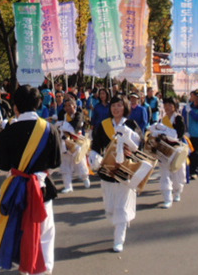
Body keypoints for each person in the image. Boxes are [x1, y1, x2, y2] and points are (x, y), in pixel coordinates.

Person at [0, 85, 61, 275]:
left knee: (20, 229)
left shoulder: (9, 131)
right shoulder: (49, 129)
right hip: (42, 189)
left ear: (15, 106)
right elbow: (55, 163)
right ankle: (39, 274)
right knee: (44, 231)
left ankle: (26, 268)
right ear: (39, 104)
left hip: (17, 190)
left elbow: (1, 164)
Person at [89, 95, 143, 253]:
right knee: (111, 206)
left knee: (122, 205)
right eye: (113, 106)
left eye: (119, 105)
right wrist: (94, 157)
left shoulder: (131, 124)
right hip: (107, 170)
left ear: (125, 107)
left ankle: (119, 239)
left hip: (125, 169)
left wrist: (128, 137)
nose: (116, 109)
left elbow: (139, 146)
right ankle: (120, 225)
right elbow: (96, 146)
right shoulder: (103, 125)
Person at [150, 98, 186, 208]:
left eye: (170, 105)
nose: (167, 107)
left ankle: (177, 191)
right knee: (164, 174)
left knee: (177, 173)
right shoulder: (162, 120)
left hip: (176, 149)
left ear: (175, 106)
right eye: (165, 105)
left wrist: (164, 130)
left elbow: (178, 134)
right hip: (163, 150)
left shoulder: (178, 118)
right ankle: (167, 198)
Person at [56, 97, 90, 193]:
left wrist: (63, 125)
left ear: (74, 106)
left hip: (76, 141)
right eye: (65, 106)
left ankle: (84, 177)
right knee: (65, 163)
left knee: (79, 161)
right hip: (65, 142)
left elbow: (74, 128)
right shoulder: (63, 115)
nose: (67, 108)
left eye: (69, 105)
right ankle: (68, 186)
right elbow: (59, 127)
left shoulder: (78, 115)